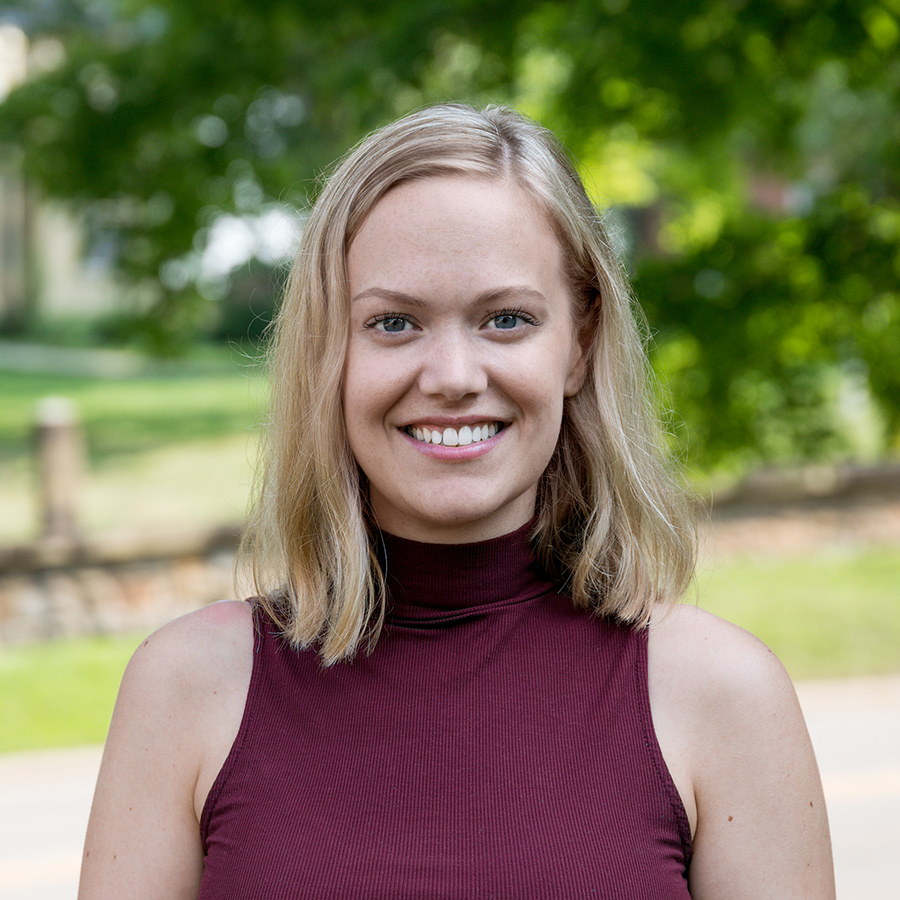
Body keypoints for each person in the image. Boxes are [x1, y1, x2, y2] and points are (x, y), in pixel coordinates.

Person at [78, 103, 835, 899]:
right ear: (327, 349)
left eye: (506, 320)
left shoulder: (725, 697)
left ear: (579, 343)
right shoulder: (187, 690)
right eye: (394, 323)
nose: (452, 377)